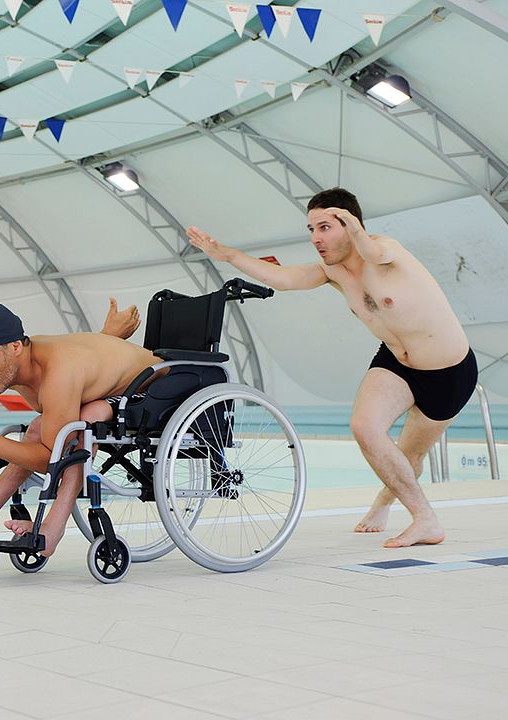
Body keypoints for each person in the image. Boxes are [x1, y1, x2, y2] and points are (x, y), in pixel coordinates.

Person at [187, 187, 476, 548]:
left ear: (349, 222)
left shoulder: (387, 251)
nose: (316, 238)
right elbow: (283, 279)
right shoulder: (333, 271)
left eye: (325, 227)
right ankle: (425, 519)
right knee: (364, 427)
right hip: (395, 362)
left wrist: (357, 230)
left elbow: (371, 249)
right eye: (311, 230)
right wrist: (226, 254)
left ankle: (383, 503)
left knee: (410, 456)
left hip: (448, 371)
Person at [0, 301, 159, 556]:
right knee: (40, 428)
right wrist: (107, 336)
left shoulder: (57, 372)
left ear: (14, 347)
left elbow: (52, 458)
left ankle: (52, 528)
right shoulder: (18, 366)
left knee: (85, 421)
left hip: (155, 387)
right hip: (111, 382)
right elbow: (86, 357)